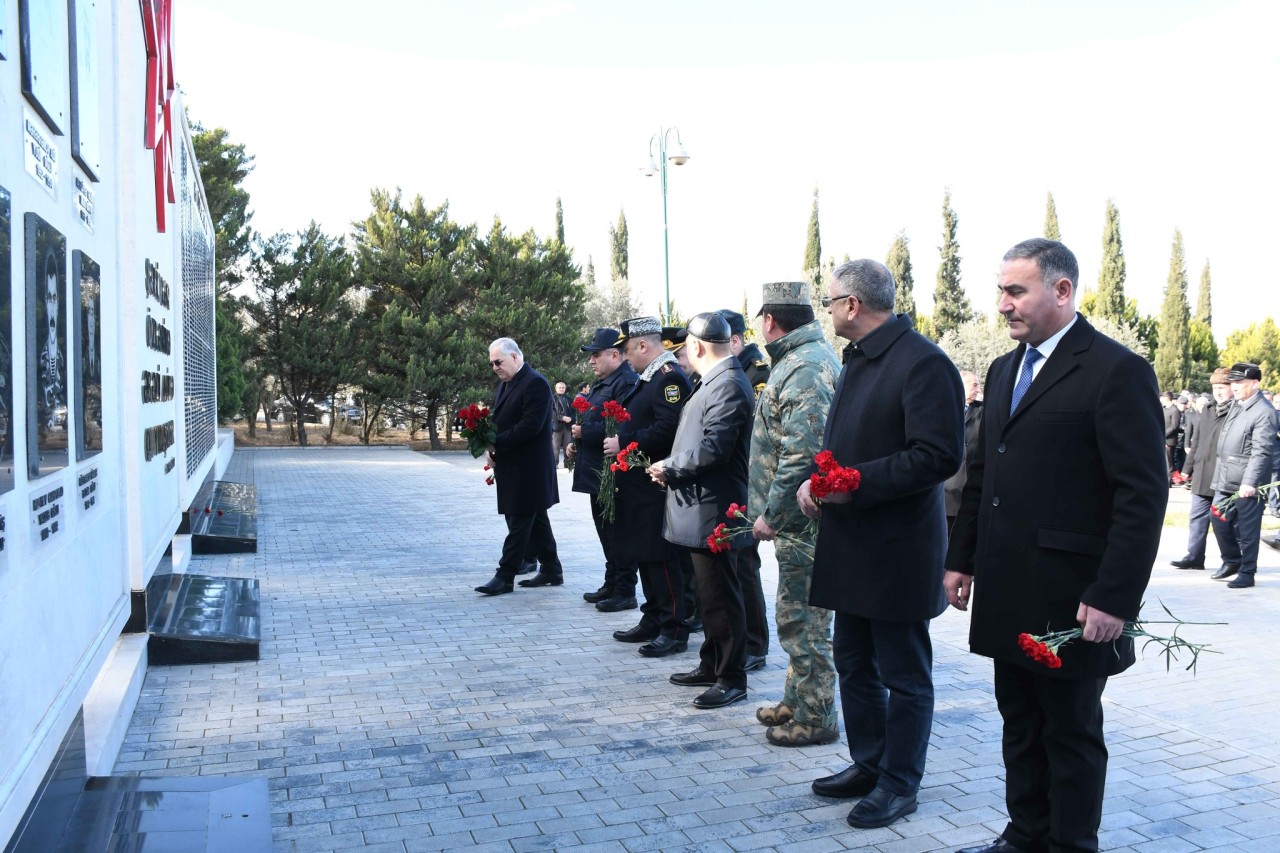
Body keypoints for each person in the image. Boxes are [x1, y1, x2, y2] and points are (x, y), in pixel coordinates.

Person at [944, 238, 1168, 853]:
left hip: (1072, 597)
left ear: (1062, 291)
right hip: (1007, 585)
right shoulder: (1002, 368)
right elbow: (983, 475)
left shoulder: (1115, 370)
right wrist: (959, 559)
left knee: (1069, 731)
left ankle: (1070, 845)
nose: (1003, 305)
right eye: (1002, 291)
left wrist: (1113, 597)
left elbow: (1141, 497)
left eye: (1016, 291)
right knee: (1018, 721)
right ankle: (1025, 833)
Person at [799, 260, 964, 830]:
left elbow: (937, 456)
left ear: (852, 305)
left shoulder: (923, 362)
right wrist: (817, 480)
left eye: (829, 301)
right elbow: (844, 443)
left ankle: (899, 782)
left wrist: (852, 485)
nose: (826, 310)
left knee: (904, 675)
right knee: (853, 663)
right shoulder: (859, 359)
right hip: (854, 542)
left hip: (897, 550)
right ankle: (868, 763)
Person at [747, 282, 841, 746]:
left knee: (805, 620)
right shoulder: (797, 359)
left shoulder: (805, 366)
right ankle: (797, 700)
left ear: (770, 320)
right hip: (797, 524)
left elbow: (800, 454)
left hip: (802, 523)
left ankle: (818, 716)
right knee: (793, 615)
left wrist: (772, 514)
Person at [647, 312, 755, 710]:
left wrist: (669, 467)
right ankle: (712, 664)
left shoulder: (727, 383)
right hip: (702, 508)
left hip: (715, 512)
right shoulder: (715, 380)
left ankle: (731, 677)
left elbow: (714, 448)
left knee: (722, 598)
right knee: (710, 598)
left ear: (695, 347)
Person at [604, 316, 693, 656]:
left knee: (661, 558)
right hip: (641, 485)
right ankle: (653, 617)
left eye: (627, 351)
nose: (625, 358)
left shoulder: (669, 380)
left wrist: (624, 441)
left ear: (643, 345)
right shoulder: (651, 378)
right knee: (646, 554)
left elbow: (669, 429)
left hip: (656, 485)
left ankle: (673, 629)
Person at [474, 338, 565, 595]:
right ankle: (551, 569)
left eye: (498, 362)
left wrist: (496, 444)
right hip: (514, 465)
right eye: (491, 363)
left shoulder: (535, 382)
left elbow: (530, 426)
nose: (494, 367)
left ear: (514, 357)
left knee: (519, 523)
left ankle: (505, 576)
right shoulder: (507, 382)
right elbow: (501, 421)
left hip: (529, 470)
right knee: (536, 522)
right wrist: (492, 448)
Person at [569, 329, 639, 609]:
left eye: (596, 355)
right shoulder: (604, 383)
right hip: (596, 471)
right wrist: (577, 443)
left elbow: (623, 427)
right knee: (605, 532)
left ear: (614, 354)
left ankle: (624, 590)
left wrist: (586, 432)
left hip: (612, 475)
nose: (591, 361)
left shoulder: (625, 382)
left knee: (618, 532)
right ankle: (612, 583)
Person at [719, 308, 771, 671]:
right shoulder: (735, 373)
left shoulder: (757, 376)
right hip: (738, 482)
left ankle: (756, 643)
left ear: (735, 341)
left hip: (751, 485)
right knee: (736, 565)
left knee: (746, 566)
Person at [1209, 362, 1275, 589]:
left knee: (1248, 530)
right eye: (1233, 383)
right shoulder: (1238, 405)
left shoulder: (1264, 412)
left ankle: (1247, 572)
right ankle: (1232, 560)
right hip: (1226, 477)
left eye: (1240, 383)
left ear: (1255, 383)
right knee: (1217, 517)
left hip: (1246, 482)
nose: (1234, 387)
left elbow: (1262, 450)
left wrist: (1250, 482)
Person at [1171, 368, 1235, 572]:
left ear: (1232, 387)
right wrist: (1187, 469)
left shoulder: (1236, 410)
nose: (1218, 391)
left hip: (1223, 474)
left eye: (1222, 387)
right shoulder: (1207, 409)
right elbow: (1197, 440)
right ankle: (1194, 556)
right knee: (1197, 517)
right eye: (1215, 387)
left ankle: (1232, 560)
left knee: (1222, 520)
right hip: (1201, 471)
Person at [944, 369, 984, 530]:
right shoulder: (944, 408)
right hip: (947, 488)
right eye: (974, 385)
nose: (978, 389)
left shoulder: (983, 410)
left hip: (972, 487)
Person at [550, 381, 573, 468]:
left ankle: (568, 464)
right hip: (557, 426)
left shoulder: (569, 399)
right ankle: (554, 464)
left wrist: (571, 418)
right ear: (556, 389)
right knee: (555, 447)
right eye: (560, 387)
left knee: (567, 446)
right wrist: (561, 418)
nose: (561, 389)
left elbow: (573, 411)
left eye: (563, 387)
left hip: (567, 426)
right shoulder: (552, 398)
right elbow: (552, 412)